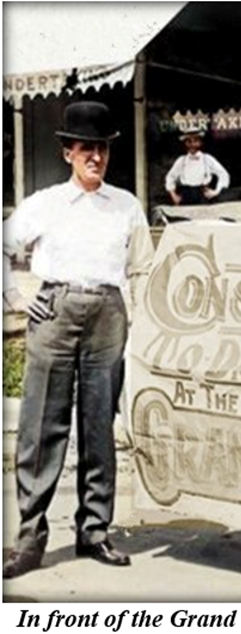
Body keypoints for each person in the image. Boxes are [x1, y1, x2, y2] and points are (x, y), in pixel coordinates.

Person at [1, 102, 154, 578]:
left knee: (99, 426)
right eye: (87, 148)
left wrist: (141, 324)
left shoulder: (126, 206)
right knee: (41, 425)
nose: (96, 157)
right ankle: (30, 539)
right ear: (68, 152)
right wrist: (16, 298)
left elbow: (143, 269)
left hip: (108, 314)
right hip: (54, 311)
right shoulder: (45, 203)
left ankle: (94, 532)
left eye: (103, 148)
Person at [164, 126, 230, 205]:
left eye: (195, 141)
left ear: (200, 142)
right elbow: (170, 177)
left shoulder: (207, 159)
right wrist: (174, 195)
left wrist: (216, 192)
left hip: (203, 196)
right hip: (186, 196)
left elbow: (223, 174)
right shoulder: (181, 161)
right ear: (185, 143)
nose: (192, 145)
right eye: (189, 141)